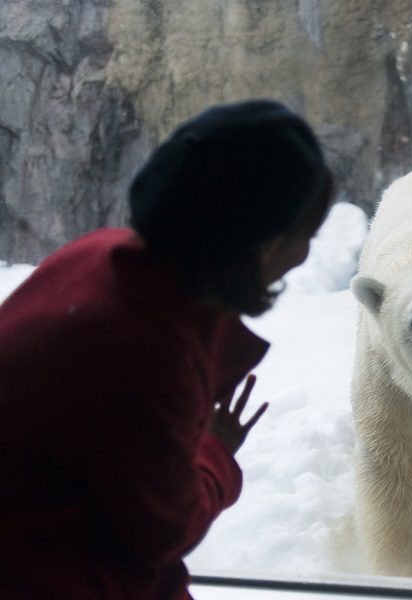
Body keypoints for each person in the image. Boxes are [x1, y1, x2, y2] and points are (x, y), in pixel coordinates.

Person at [0, 99, 334, 599]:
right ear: (264, 245)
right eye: (305, 235)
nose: (306, 253)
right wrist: (215, 454)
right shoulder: (150, 352)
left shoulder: (96, 254)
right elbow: (160, 531)